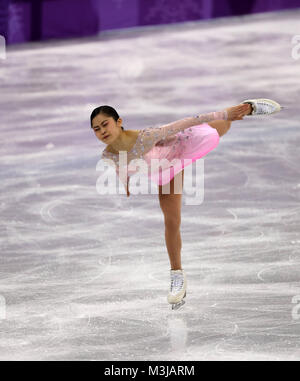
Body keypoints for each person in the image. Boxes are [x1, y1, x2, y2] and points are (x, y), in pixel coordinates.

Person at [90, 99, 282, 310]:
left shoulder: (146, 137)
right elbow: (120, 167)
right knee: (172, 221)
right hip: (167, 171)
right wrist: (125, 183)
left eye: (105, 124)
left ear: (118, 122)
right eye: (96, 129)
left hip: (183, 143)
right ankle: (177, 276)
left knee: (221, 127)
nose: (102, 131)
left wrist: (225, 113)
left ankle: (247, 108)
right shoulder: (107, 154)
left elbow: (187, 122)